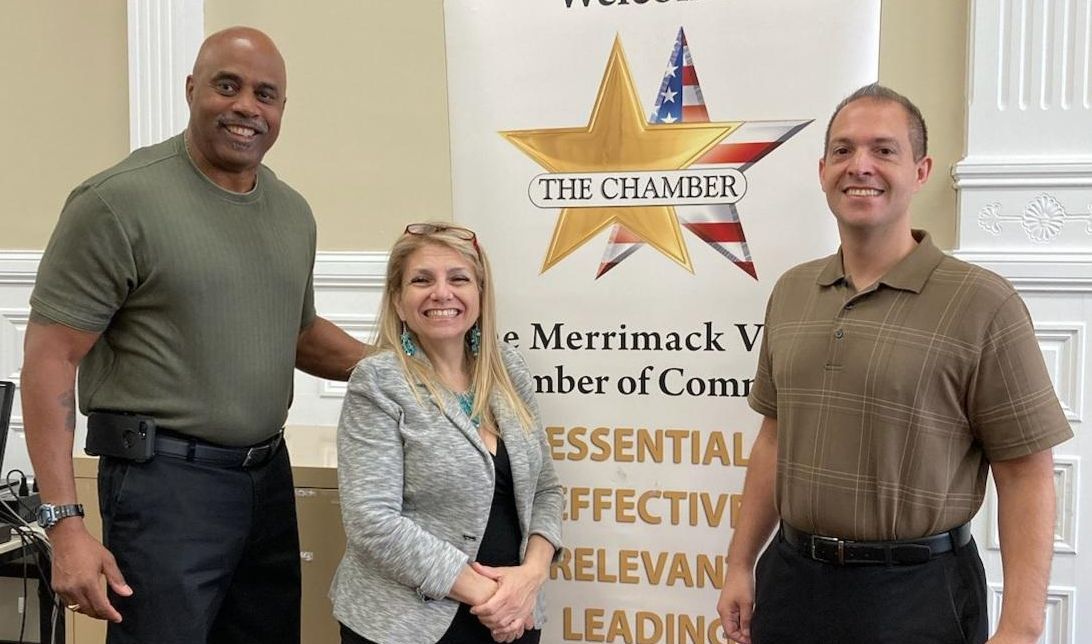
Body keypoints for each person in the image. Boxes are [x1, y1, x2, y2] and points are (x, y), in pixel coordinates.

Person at [21, 27, 367, 644]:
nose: (246, 108)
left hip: (268, 479)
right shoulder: (116, 202)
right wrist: (65, 526)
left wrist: (406, 368)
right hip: (165, 489)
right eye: (227, 86)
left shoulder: (292, 212)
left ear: (282, 109)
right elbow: (50, 361)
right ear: (191, 90)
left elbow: (298, 331)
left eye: (266, 94)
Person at [716, 84, 1072, 644]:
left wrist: (1020, 629)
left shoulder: (983, 303)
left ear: (921, 169)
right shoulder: (791, 292)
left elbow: (1026, 472)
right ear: (822, 169)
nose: (860, 166)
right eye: (843, 150)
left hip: (919, 597)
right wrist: (741, 562)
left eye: (884, 150)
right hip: (791, 584)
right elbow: (774, 440)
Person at [332, 223, 563, 644]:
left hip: (515, 616)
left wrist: (531, 575)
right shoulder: (378, 381)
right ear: (399, 302)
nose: (442, 293)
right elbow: (373, 521)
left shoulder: (509, 371)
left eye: (458, 278)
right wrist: (489, 597)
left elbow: (546, 489)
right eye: (422, 280)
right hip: (408, 624)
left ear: (479, 295)